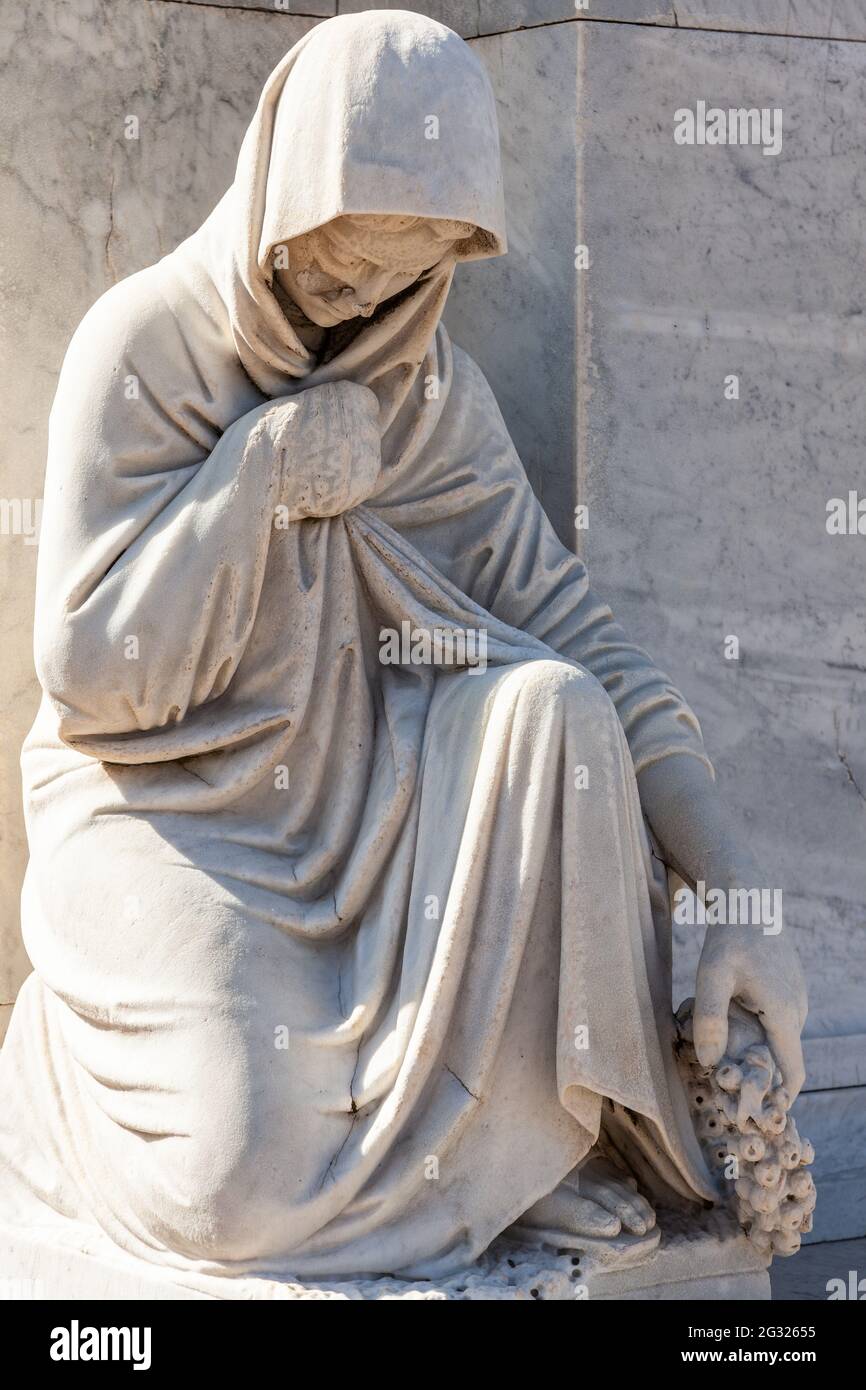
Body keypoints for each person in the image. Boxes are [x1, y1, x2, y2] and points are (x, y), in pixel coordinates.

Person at [0, 10, 806, 1288]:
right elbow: (91, 679)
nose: (358, 306)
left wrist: (733, 890)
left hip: (380, 823)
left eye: (401, 277)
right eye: (333, 269)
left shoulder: (430, 398)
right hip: (168, 819)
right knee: (229, 1181)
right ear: (275, 195)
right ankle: (61, 1092)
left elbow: (585, 640)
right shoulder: (143, 350)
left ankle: (511, 1165)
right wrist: (253, 478)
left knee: (553, 712)